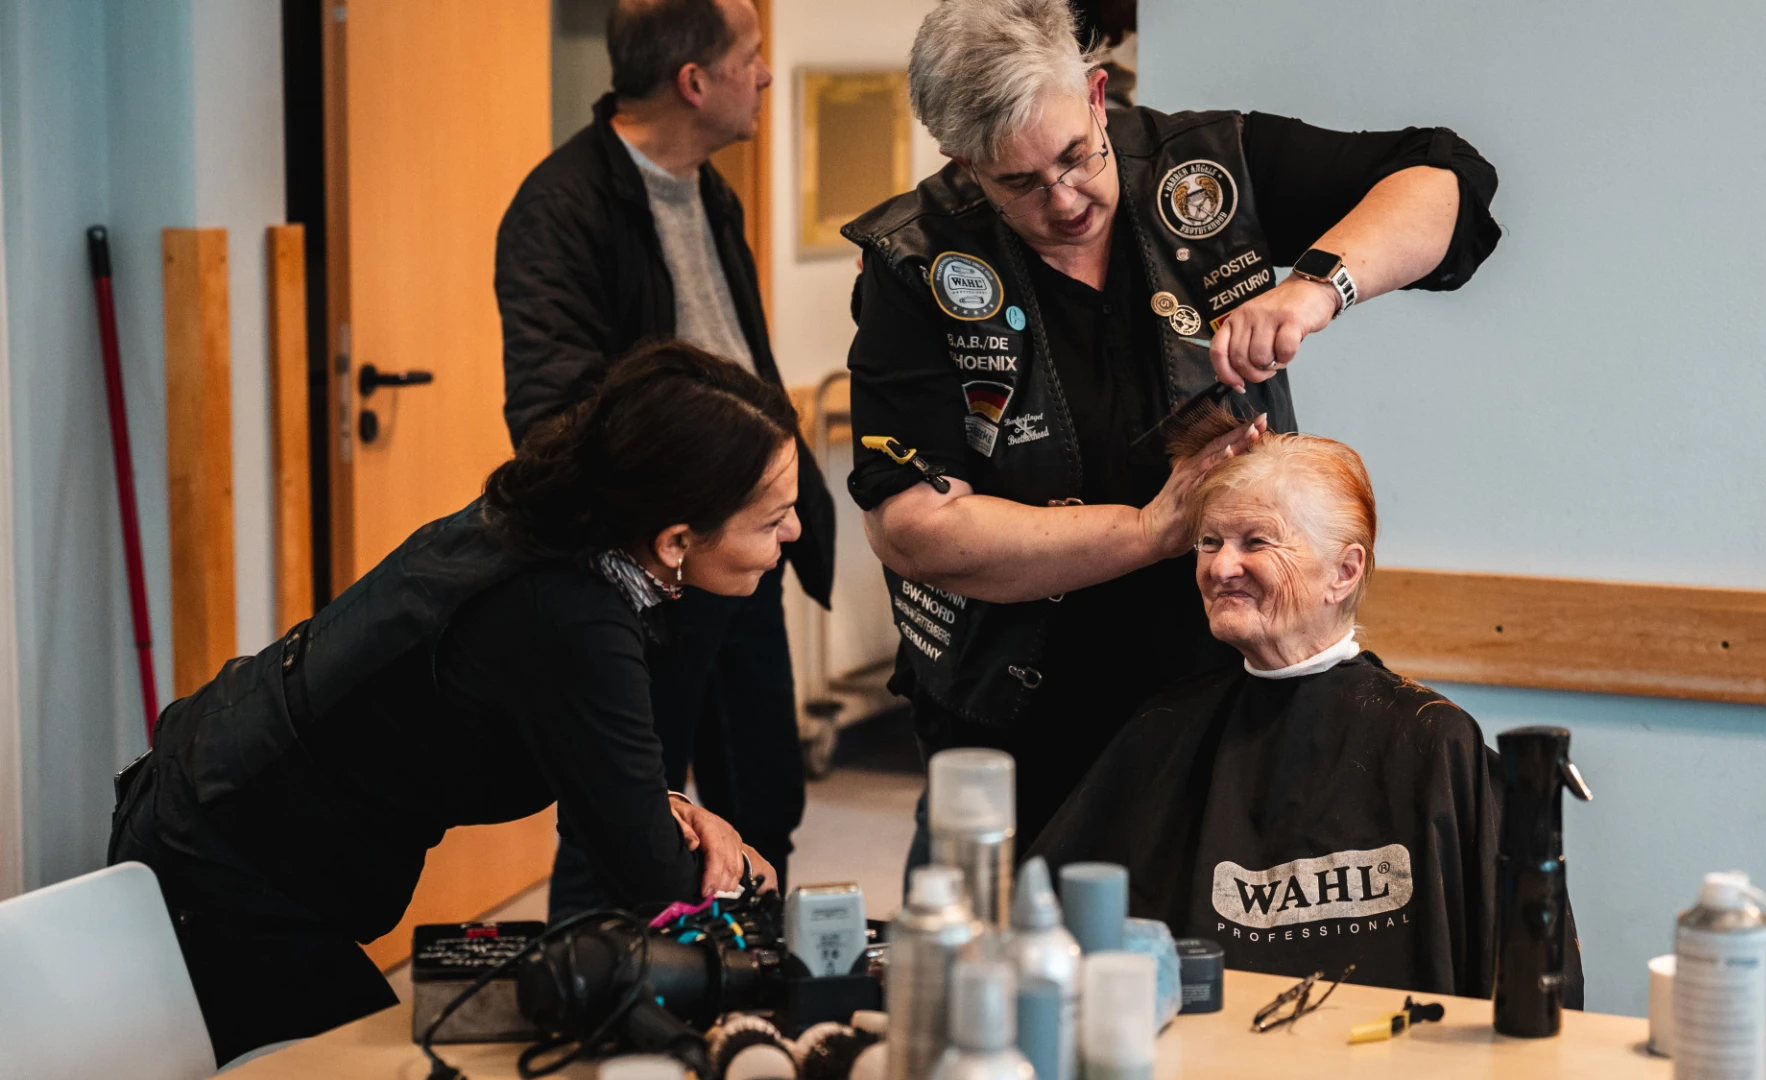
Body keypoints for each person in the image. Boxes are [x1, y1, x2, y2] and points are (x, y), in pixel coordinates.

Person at [843, 0, 1502, 857]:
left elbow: (1444, 177)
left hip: (1229, 691)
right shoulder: (917, 262)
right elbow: (913, 529)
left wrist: (1314, 288)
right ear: (963, 162)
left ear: (1094, 92)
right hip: (1020, 716)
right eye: (1020, 183)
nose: (1066, 197)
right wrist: (1151, 530)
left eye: (1075, 156)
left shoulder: (1206, 170)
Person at [109, 344, 797, 1063]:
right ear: (677, 538)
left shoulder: (563, 525)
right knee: (380, 1064)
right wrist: (742, 866)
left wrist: (670, 809)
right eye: (771, 518)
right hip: (223, 858)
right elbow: (646, 871)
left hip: (228, 803)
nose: (793, 533)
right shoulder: (569, 613)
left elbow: (589, 761)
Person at [1028, 428, 1582, 1002]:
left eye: (1256, 542)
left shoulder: (1434, 742)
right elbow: (1047, 946)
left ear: (1343, 572)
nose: (1221, 568)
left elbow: (1532, 989)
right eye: (1210, 541)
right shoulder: (1162, 733)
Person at [495, 0, 833, 908]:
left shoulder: (708, 188)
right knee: (631, 821)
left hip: (742, 549)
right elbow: (547, 411)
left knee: (765, 794)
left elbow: (740, 358)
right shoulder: (560, 208)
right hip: (647, 572)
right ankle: (604, 995)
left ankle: (749, 985)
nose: (764, 75)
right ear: (695, 82)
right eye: (751, 57)